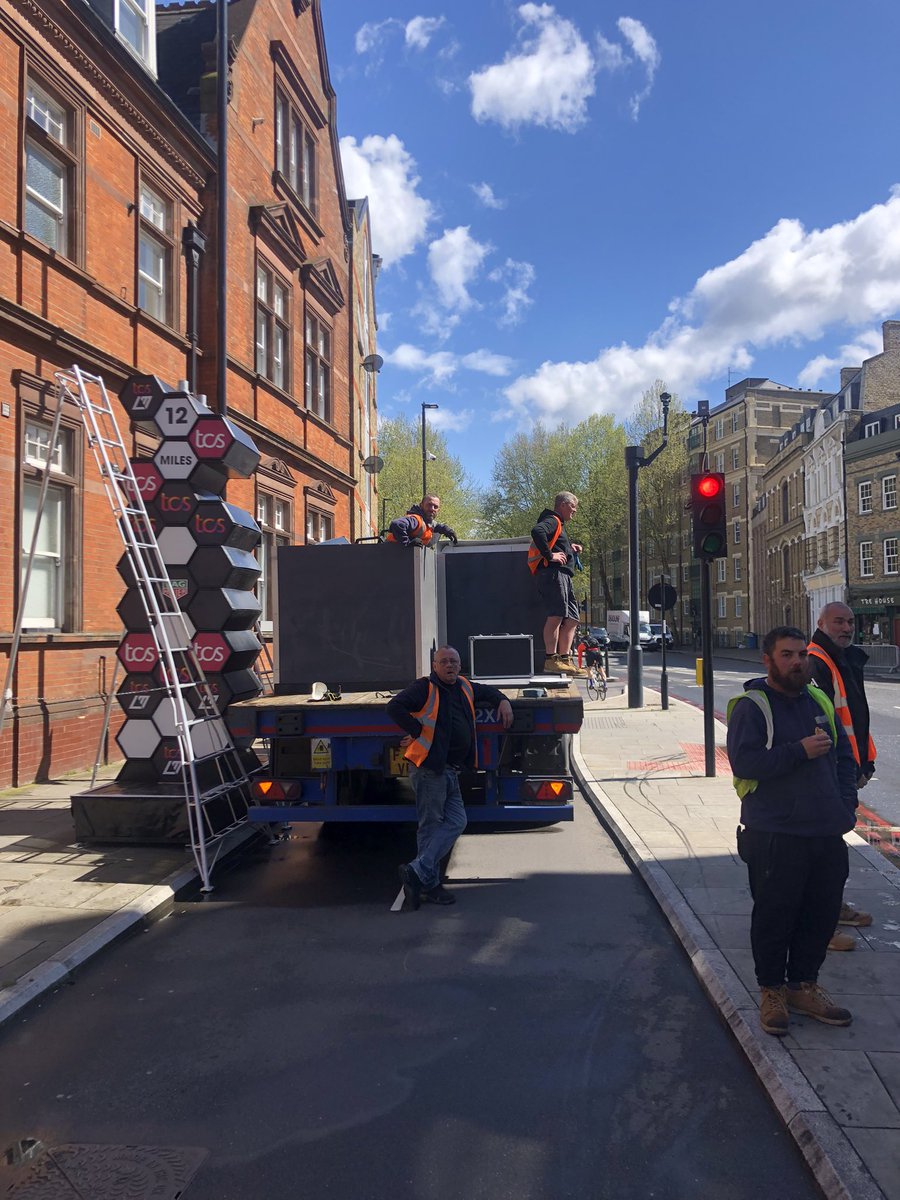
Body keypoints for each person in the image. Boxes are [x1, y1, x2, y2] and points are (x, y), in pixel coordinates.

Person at [726, 626, 857, 1037]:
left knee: (819, 915)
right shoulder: (753, 706)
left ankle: (804, 985)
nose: (797, 661)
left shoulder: (817, 698)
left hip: (825, 830)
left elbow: (843, 757)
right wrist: (798, 751)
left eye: (801, 654)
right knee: (774, 916)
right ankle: (772, 991)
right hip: (774, 832)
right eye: (787, 655)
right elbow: (745, 764)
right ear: (768, 660)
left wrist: (846, 806)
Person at [387, 645, 513, 909]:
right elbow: (395, 706)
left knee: (457, 821)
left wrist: (503, 700)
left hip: (452, 770)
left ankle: (417, 871)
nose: (449, 666)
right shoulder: (424, 688)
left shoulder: (465, 686)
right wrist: (417, 729)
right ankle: (430, 885)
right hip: (430, 769)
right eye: (443, 661)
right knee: (431, 826)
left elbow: (488, 692)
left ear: (459, 665)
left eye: (454, 661)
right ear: (434, 666)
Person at [808, 601, 877, 950]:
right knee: (824, 850)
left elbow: (854, 715)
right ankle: (822, 923)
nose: (846, 627)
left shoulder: (840, 658)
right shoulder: (817, 661)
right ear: (821, 622)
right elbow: (820, 723)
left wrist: (865, 763)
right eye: (838, 621)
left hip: (846, 767)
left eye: (850, 621)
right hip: (830, 770)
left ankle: (832, 910)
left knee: (831, 848)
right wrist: (843, 769)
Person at [529, 492, 583, 676]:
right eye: (572, 506)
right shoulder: (553, 520)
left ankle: (565, 659)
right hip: (553, 574)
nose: (574, 510)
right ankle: (551, 660)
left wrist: (569, 548)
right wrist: (549, 555)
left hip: (564, 575)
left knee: (573, 618)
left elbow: (554, 542)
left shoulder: (559, 525)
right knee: (556, 615)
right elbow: (537, 531)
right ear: (562, 505)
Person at [386, 495, 458, 546]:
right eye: (429, 505)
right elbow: (397, 524)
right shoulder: (416, 519)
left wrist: (446, 530)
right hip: (391, 554)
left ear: (438, 510)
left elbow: (435, 526)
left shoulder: (427, 522)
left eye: (435, 507)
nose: (432, 509)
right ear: (421, 505)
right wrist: (407, 542)